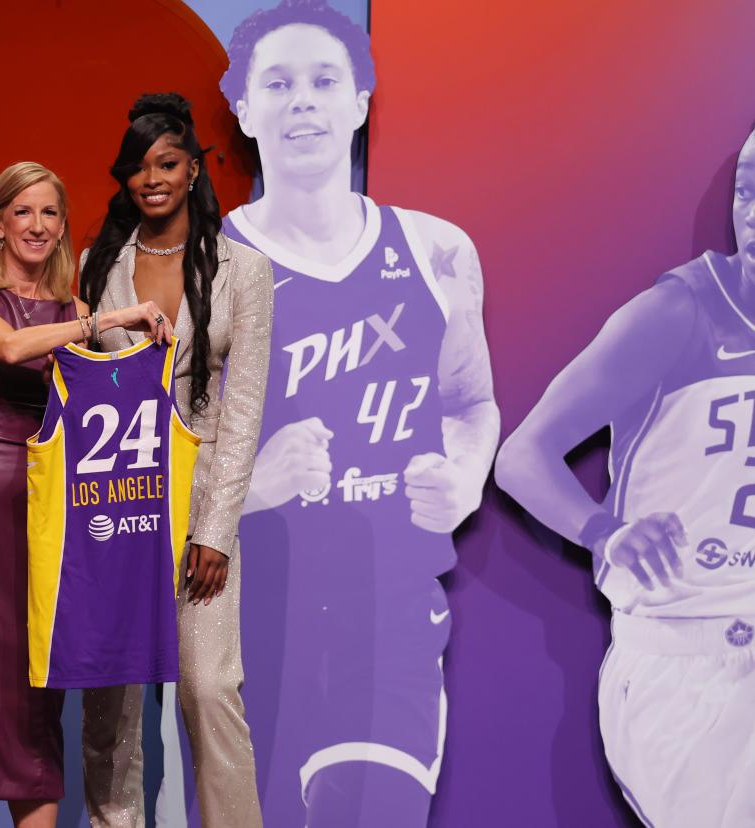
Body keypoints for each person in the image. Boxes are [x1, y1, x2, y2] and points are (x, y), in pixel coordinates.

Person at [217, 2, 499, 826]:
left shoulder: (438, 250)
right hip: (254, 616)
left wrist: (465, 478)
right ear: (244, 109)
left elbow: (470, 403)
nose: (302, 101)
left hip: (392, 603)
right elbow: (152, 469)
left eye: (323, 80)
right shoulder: (206, 269)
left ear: (361, 100)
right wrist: (254, 486)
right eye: (278, 83)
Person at [495, 127, 755, 828]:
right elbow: (523, 456)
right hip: (690, 657)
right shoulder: (683, 312)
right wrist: (604, 531)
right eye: (748, 190)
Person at [0, 161, 170, 828]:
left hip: (51, 514)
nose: (37, 225)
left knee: (39, 690)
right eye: (23, 211)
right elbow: (5, 349)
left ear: (62, 229)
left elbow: (114, 400)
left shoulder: (75, 311)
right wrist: (105, 322)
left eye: (50, 214)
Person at [78, 93, 273, 828]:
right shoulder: (101, 266)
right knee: (112, 698)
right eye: (137, 167)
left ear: (194, 168)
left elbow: (244, 406)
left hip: (199, 503)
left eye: (166, 163)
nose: (151, 179)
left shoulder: (242, 271)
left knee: (208, 688)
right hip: (113, 500)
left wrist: (215, 531)